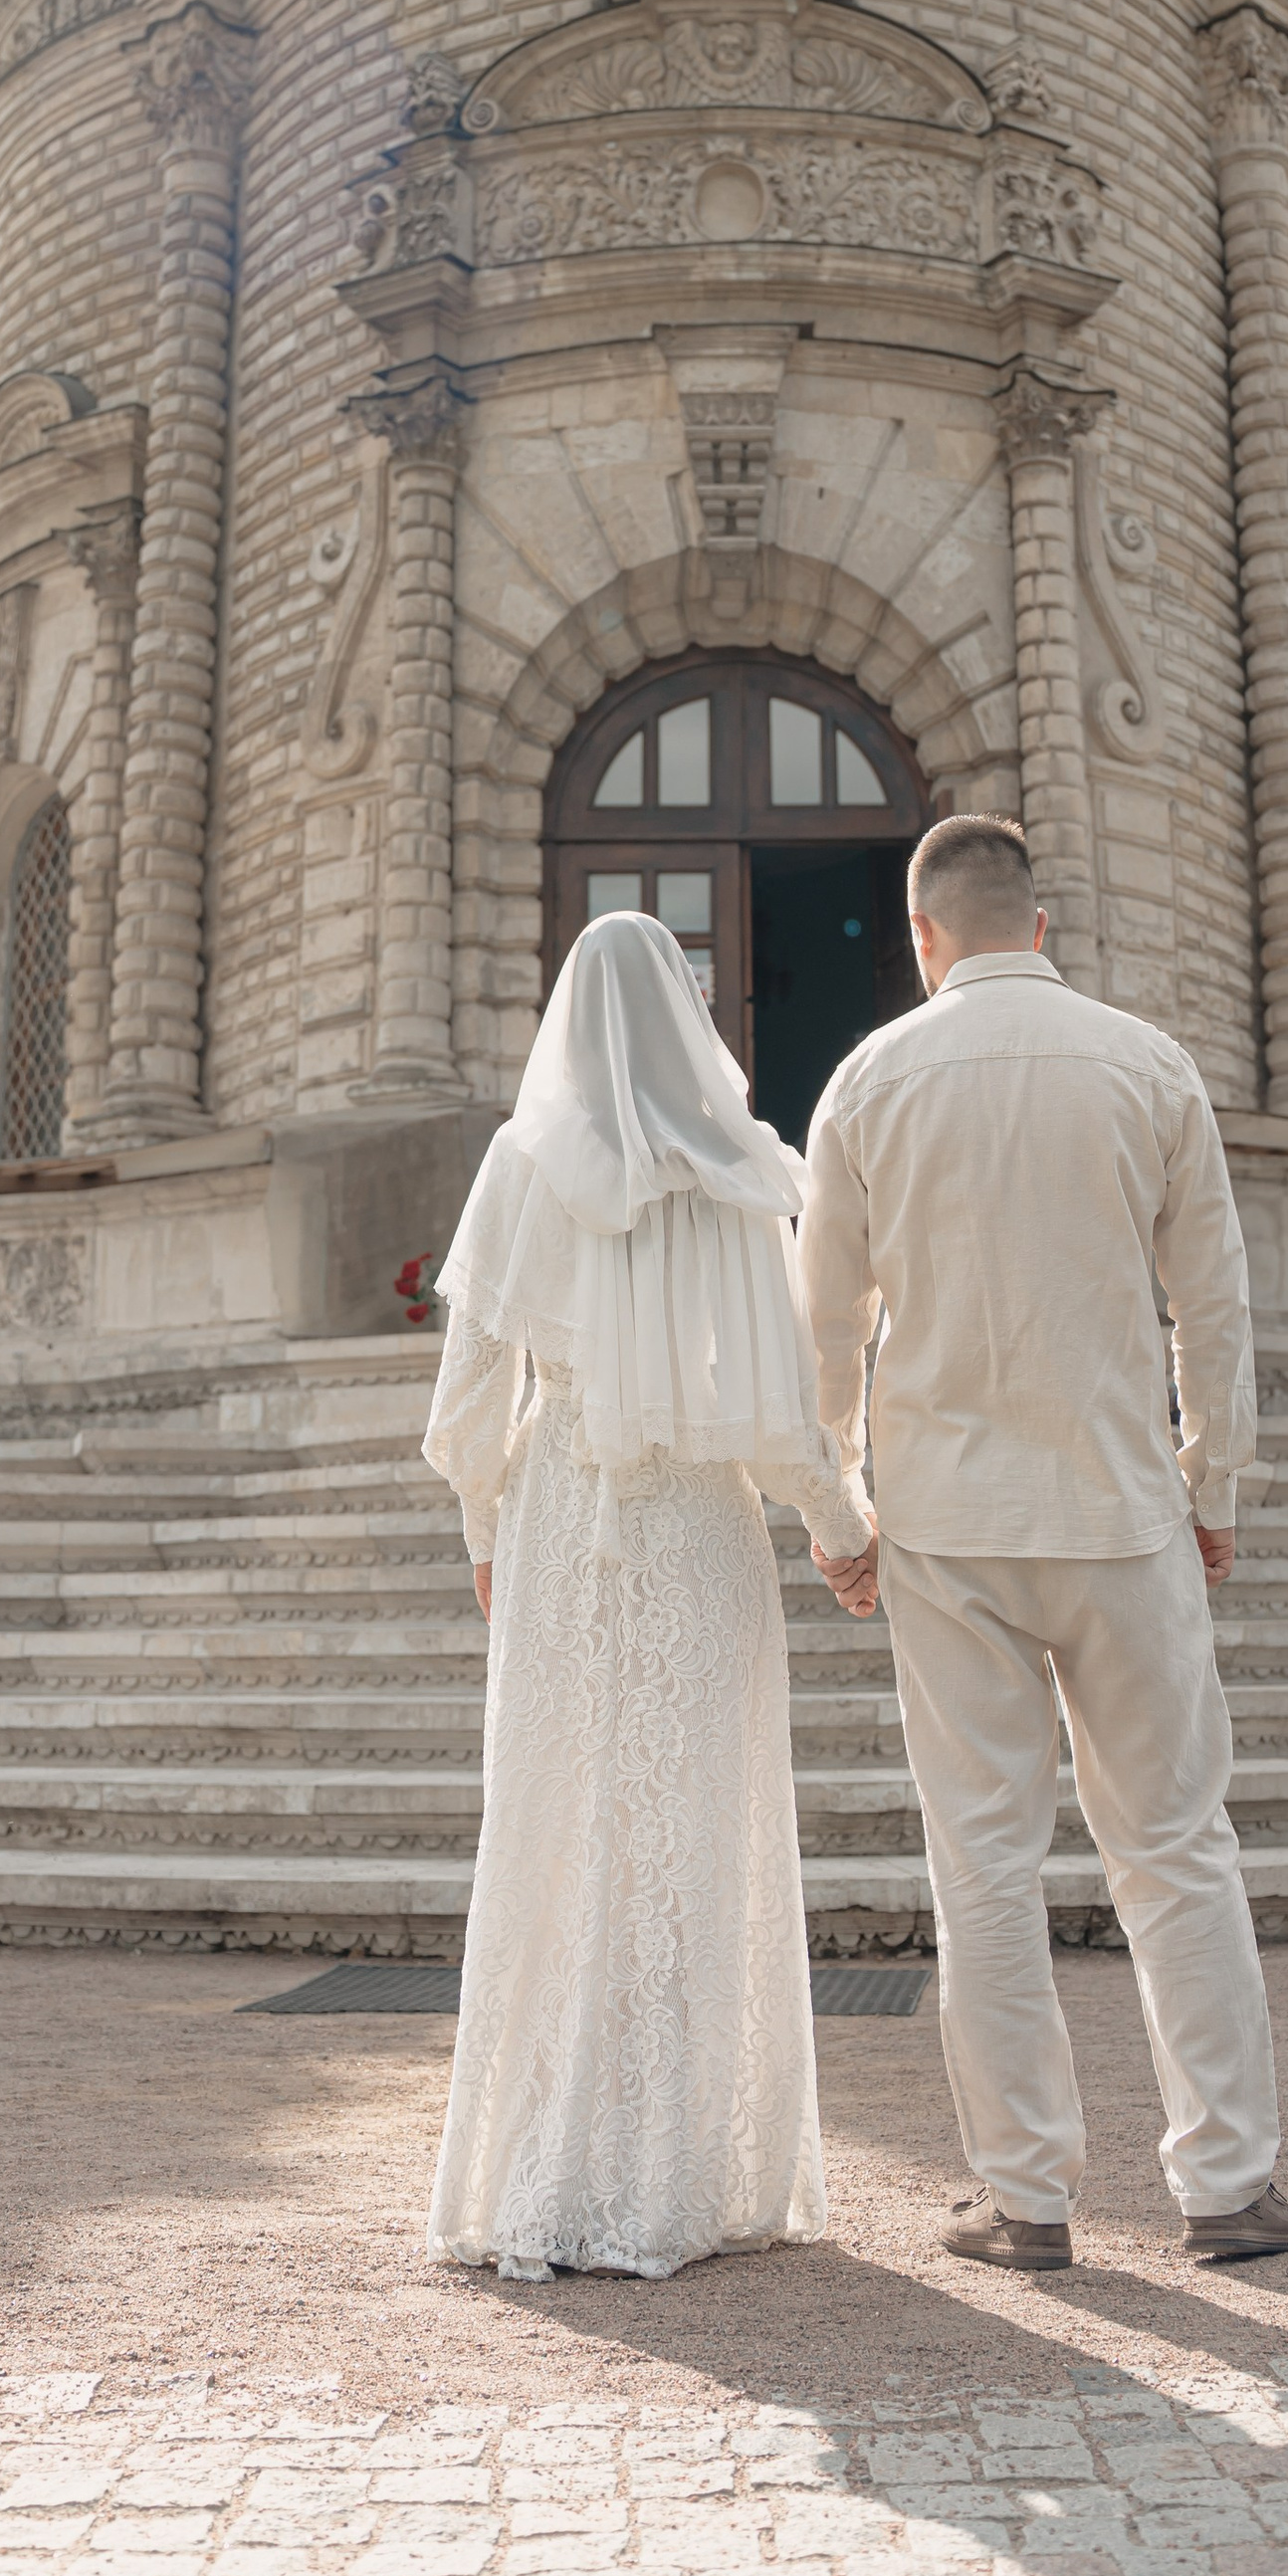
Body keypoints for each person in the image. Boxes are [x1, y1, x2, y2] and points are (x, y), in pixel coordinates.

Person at [798, 811, 1288, 2272]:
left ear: (924, 933)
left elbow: (820, 1330)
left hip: (948, 1525)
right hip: (1121, 1507)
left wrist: (839, 1516)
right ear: (1039, 921)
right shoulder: (1148, 1064)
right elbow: (1214, 1306)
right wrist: (1216, 1489)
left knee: (985, 1868)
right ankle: (1227, 2189)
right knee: (1177, 1851)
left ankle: (1025, 2199)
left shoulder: (867, 1081)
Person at [421, 907, 875, 2280]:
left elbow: (467, 1401)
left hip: (569, 1517)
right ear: (685, 1016)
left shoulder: (519, 1165)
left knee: (560, 1824)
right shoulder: (740, 1171)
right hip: (703, 1531)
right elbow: (789, 1414)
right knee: (697, 1835)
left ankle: (547, 2167)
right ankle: (689, 2169)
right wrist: (843, 1527)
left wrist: (485, 1527)